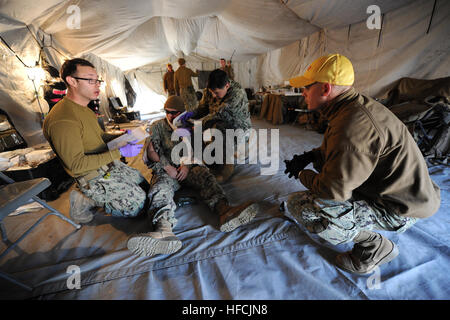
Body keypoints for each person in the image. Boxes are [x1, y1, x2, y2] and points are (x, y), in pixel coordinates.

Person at [282, 54, 441, 275]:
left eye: (307, 87)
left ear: (326, 89)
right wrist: (311, 156)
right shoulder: (352, 108)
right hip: (406, 192)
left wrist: (302, 174)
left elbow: (332, 190)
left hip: (400, 208)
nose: (304, 93)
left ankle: (373, 247)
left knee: (303, 207)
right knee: (319, 186)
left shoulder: (352, 124)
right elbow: (340, 153)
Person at [126, 95, 258, 258]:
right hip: (166, 169)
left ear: (182, 113)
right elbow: (152, 151)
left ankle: (225, 211)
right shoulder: (157, 126)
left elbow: (197, 149)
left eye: (174, 113)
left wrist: (187, 166)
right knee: (160, 188)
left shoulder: (190, 126)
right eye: (167, 112)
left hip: (186, 168)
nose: (170, 116)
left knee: (205, 176)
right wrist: (167, 167)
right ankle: (163, 230)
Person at [43, 58, 147, 224]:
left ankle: (99, 195)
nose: (97, 84)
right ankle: (84, 199)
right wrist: (119, 152)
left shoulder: (85, 109)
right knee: (138, 206)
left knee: (144, 185)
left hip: (104, 165)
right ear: (72, 81)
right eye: (91, 80)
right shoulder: (63, 119)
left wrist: (122, 136)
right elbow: (76, 165)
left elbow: (99, 137)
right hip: (90, 175)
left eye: (97, 80)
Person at [178, 69, 252, 182]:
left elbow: (219, 114)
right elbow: (203, 108)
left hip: (238, 128)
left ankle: (225, 170)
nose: (213, 95)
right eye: (211, 91)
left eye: (216, 93)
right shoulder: (210, 90)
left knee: (219, 129)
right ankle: (212, 159)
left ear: (227, 85)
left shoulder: (237, 93)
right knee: (211, 136)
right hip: (218, 123)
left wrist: (198, 126)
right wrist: (190, 115)